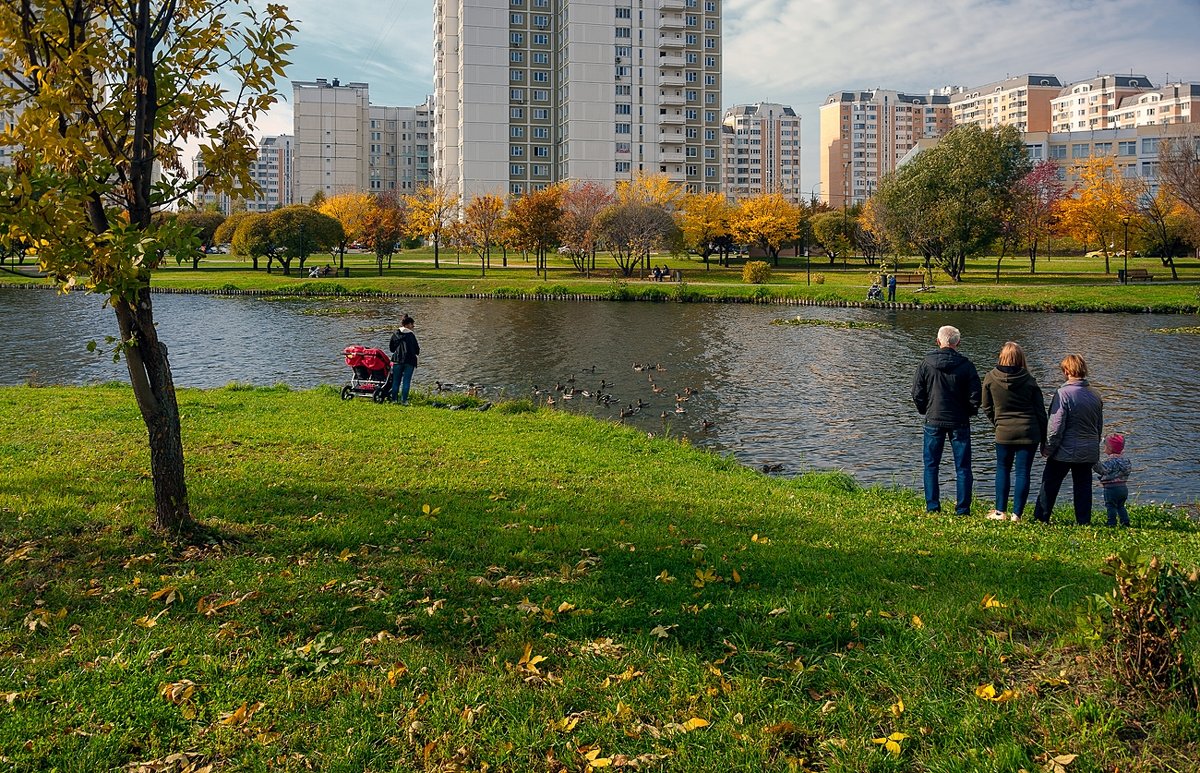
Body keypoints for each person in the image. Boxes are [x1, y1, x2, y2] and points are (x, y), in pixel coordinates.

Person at [912, 325, 982, 515]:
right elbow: (976, 395)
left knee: (931, 465)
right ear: (957, 343)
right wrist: (968, 411)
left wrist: (925, 410)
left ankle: (933, 507)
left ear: (938, 341)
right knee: (963, 467)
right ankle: (962, 509)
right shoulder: (967, 365)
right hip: (959, 420)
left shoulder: (926, 363)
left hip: (933, 419)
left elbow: (917, 393)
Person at [1032, 354, 1103, 525]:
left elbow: (1056, 427)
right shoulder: (1095, 395)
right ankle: (1084, 521)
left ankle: (1041, 518)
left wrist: (1048, 448)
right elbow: (1098, 426)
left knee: (1050, 483)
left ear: (1067, 371)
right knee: (1083, 487)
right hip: (1089, 449)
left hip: (1064, 450)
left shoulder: (1063, 394)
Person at [981, 342, 1047, 521]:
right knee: (1023, 472)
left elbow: (986, 406)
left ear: (1001, 356)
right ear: (1021, 359)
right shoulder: (1029, 380)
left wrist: (997, 421)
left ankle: (1000, 512)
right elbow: (1040, 411)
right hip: (1029, 431)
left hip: (1004, 431)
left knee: (1003, 469)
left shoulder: (990, 378)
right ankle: (1017, 514)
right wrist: (1044, 439)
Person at [1094, 433, 1132, 527]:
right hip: (1123, 488)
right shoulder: (1126, 461)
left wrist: (1094, 462)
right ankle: (1125, 521)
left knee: (1110, 506)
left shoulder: (1110, 461)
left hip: (1111, 489)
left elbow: (1102, 470)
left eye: (1105, 446)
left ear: (1109, 449)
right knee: (1121, 506)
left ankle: (1111, 523)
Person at [388, 315, 420, 405]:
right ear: (408, 324)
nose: (413, 326)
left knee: (396, 381)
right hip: (409, 361)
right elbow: (417, 350)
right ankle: (404, 401)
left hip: (397, 360)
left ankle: (394, 400)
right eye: (412, 324)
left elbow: (391, 348)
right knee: (406, 381)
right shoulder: (410, 335)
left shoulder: (395, 334)